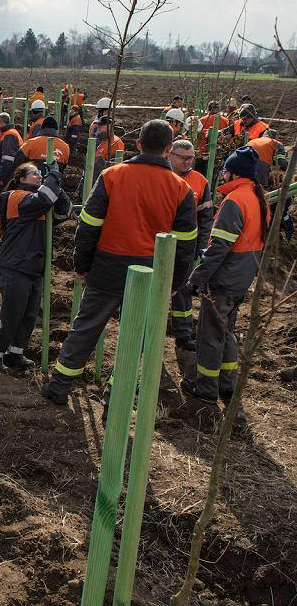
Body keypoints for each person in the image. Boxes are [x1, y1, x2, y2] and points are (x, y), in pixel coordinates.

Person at [41, 120, 198, 406]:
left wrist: (82, 264)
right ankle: (116, 394)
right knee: (136, 335)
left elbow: (88, 225)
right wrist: (174, 283)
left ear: (138, 144)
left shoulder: (112, 176)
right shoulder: (181, 189)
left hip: (107, 266)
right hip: (151, 271)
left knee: (86, 326)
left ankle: (59, 385)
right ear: (168, 149)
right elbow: (187, 245)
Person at [181, 146, 269, 417]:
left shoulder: (235, 201)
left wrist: (197, 278)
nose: (222, 174)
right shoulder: (257, 198)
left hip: (225, 280)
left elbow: (219, 247)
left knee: (210, 334)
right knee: (226, 331)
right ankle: (227, 385)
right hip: (242, 277)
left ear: (235, 173)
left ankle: (206, 388)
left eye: (226, 170)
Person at [0, 161, 71, 372]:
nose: (40, 176)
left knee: (29, 316)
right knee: (12, 314)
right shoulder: (17, 197)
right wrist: (54, 177)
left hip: (33, 266)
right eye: (35, 174)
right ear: (22, 179)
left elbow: (64, 212)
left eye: (41, 174)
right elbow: (44, 198)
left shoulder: (38, 203)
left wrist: (56, 186)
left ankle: (15, 354)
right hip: (16, 265)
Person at [168, 139, 213, 351]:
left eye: (191, 158)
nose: (187, 162)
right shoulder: (162, 176)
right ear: (170, 155)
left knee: (182, 290)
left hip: (185, 248)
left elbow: (205, 218)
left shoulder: (200, 181)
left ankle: (183, 333)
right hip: (157, 245)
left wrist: (200, 246)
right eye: (183, 158)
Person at [0, 113, 24, 233]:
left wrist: (0, 177)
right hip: (12, 174)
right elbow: (9, 152)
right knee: (7, 200)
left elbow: (8, 159)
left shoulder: (9, 135)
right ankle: (5, 227)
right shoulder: (12, 133)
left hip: (7, 175)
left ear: (2, 122)